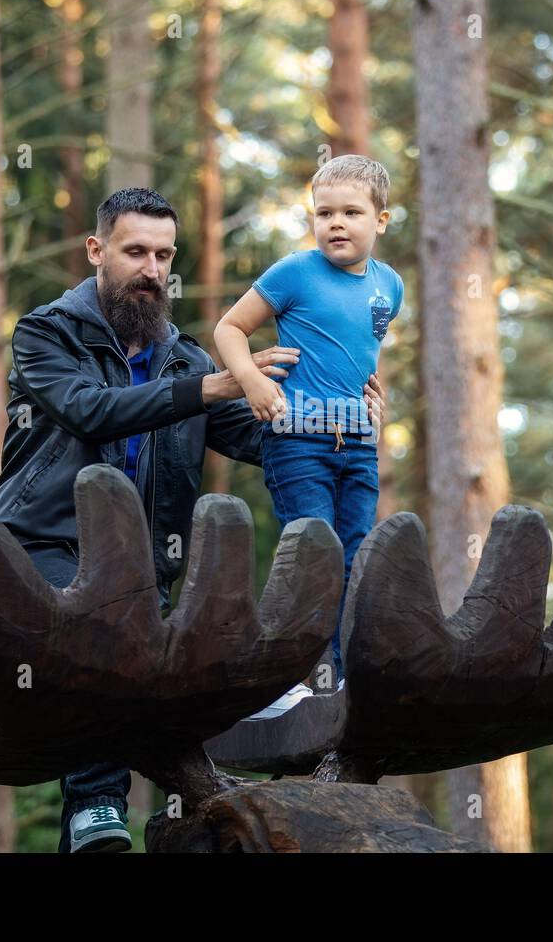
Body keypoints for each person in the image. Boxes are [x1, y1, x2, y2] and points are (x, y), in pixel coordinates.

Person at [0, 187, 386, 852]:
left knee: (181, 657)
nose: (150, 269)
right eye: (135, 251)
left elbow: (266, 435)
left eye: (163, 255)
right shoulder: (46, 334)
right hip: (41, 549)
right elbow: (91, 409)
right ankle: (95, 802)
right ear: (97, 251)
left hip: (146, 571)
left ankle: (222, 789)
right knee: (106, 627)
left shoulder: (184, 354)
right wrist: (219, 384)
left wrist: (343, 418)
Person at [214, 154, 402, 713]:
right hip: (296, 439)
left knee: (354, 558)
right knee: (311, 551)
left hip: (358, 446)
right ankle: (284, 678)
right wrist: (250, 380)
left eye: (351, 212)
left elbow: (360, 357)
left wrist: (376, 400)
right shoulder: (294, 272)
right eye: (324, 213)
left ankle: (336, 681)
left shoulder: (389, 287)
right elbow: (229, 327)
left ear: (382, 221)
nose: (336, 223)